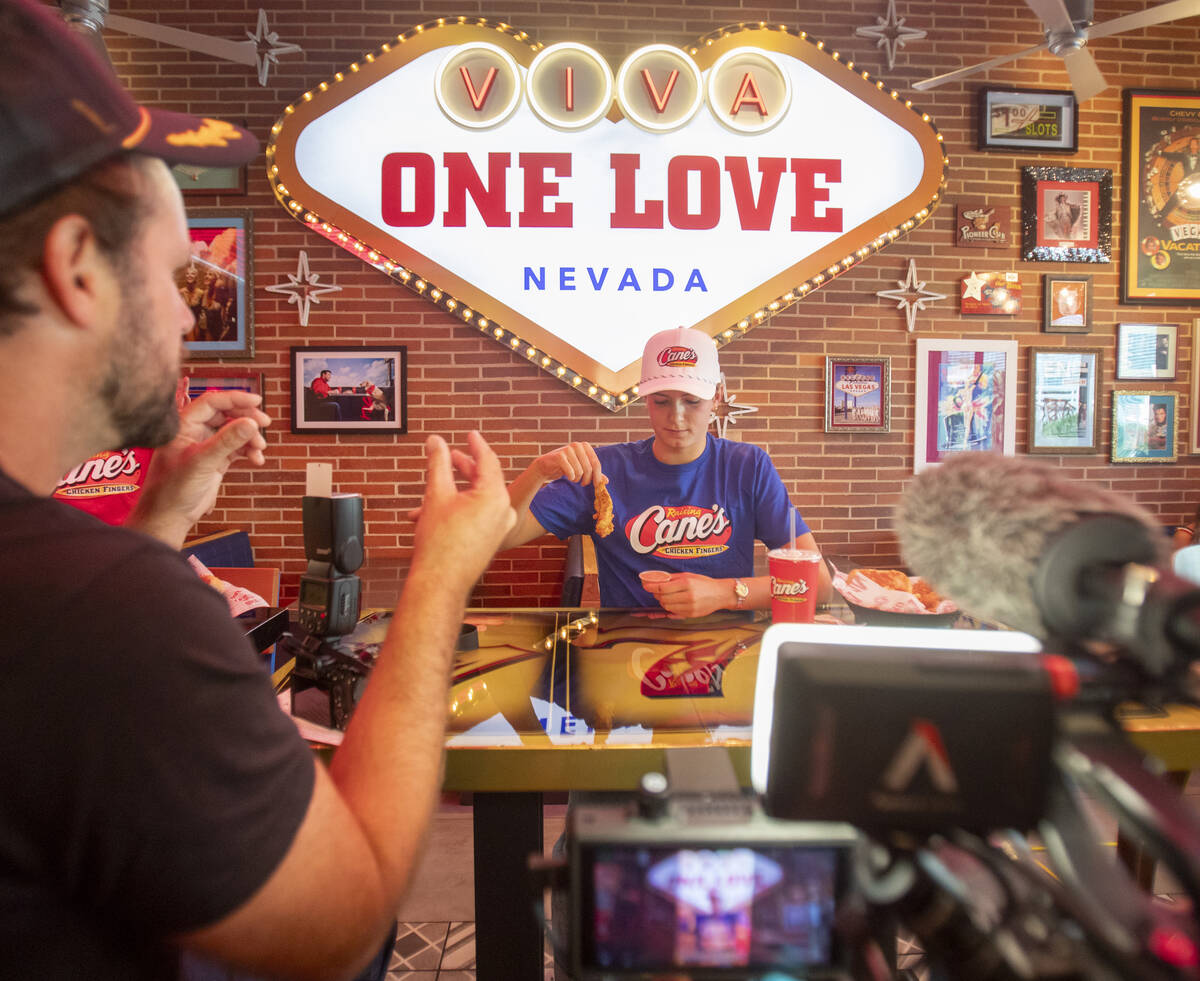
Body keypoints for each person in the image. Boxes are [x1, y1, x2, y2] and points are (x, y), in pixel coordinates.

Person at [0, 2, 515, 979]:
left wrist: (161, 521)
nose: (191, 322)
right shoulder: (95, 609)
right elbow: (342, 929)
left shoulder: (71, 594)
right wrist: (443, 577)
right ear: (76, 269)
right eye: (177, 276)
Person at [497, 325, 832, 616]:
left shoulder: (749, 467)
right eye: (661, 401)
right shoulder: (605, 470)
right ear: (646, 400)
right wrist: (538, 471)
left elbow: (818, 586)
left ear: (716, 397)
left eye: (692, 401)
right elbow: (499, 537)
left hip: (727, 650)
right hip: (630, 651)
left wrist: (724, 594)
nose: (677, 417)